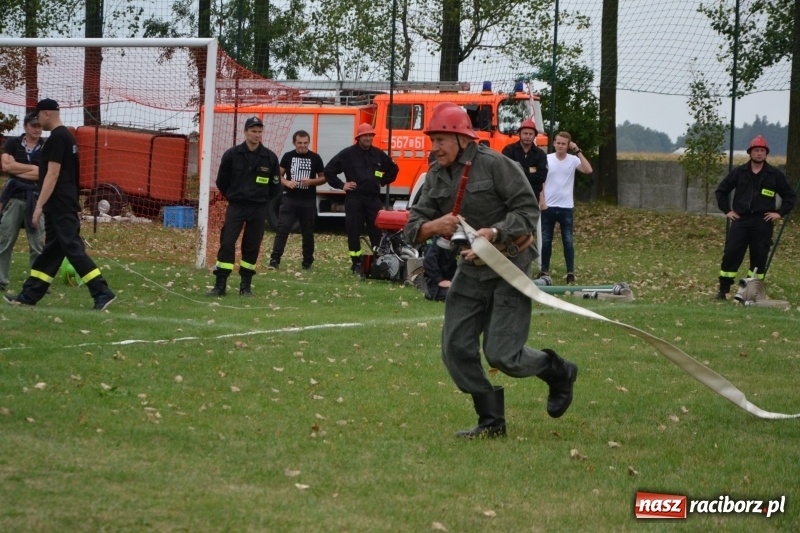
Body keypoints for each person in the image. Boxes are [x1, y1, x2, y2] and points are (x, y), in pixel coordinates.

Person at [404, 102, 578, 438]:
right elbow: (413, 224)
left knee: (503, 355)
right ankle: (491, 422)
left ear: (463, 139)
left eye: (441, 139)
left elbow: (528, 211)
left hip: (509, 263)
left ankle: (558, 370)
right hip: (469, 269)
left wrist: (495, 232)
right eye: (432, 139)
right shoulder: (436, 172)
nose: (434, 147)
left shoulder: (496, 165)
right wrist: (432, 226)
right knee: (455, 348)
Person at [4, 98, 116, 310]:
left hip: (61, 205)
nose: (38, 122)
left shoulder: (57, 138)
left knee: (73, 249)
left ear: (47, 114)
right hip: (61, 205)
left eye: (38, 117)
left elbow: (52, 175)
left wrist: (38, 206)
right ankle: (29, 295)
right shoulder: (67, 137)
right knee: (51, 253)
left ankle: (102, 291)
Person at [714, 135, 796, 300]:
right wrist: (727, 210)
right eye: (756, 150)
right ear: (750, 153)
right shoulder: (739, 172)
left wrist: (779, 213)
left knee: (759, 256)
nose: (759, 153)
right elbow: (721, 191)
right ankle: (723, 290)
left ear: (766, 154)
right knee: (731, 253)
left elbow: (790, 196)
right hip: (741, 220)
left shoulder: (774, 175)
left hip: (762, 222)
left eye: (762, 151)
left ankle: (752, 292)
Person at [207, 116, 279, 297]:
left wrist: (261, 200)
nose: (257, 135)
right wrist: (234, 196)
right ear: (245, 132)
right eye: (253, 131)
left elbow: (275, 186)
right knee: (227, 242)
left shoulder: (270, 157)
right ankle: (220, 285)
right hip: (237, 206)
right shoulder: (232, 155)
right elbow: (221, 181)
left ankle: (245, 286)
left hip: (258, 208)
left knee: (252, 245)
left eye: (259, 132)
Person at [324, 123, 399, 275]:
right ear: (358, 138)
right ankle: (356, 263)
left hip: (373, 199)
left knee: (377, 232)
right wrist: (341, 185)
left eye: (371, 135)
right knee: (353, 232)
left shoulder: (378, 154)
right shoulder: (347, 154)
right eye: (365, 135)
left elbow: (393, 169)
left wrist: (381, 180)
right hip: (354, 199)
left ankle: (379, 262)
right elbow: (329, 170)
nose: (368, 138)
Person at [267, 130, 326, 270]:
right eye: (299, 143)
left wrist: (312, 182)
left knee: (308, 233)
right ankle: (274, 260)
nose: (302, 146)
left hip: (308, 201)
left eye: (305, 143)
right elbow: (277, 177)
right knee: (282, 230)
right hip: (289, 199)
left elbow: (323, 178)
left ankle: (307, 263)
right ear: (294, 143)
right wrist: (287, 183)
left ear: (309, 143)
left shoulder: (315, 158)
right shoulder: (288, 157)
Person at [0, 112, 46, 292]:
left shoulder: (46, 147)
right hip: (14, 199)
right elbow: (6, 166)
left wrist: (17, 169)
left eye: (40, 126)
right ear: (26, 126)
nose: (37, 129)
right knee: (4, 240)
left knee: (37, 244)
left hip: (36, 199)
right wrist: (32, 168)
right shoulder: (13, 143)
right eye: (34, 125)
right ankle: (1, 281)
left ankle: (38, 282)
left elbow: (43, 174)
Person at [539, 131, 592, 285]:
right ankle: (544, 271)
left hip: (566, 207)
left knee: (568, 241)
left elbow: (588, 170)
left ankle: (570, 272)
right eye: (558, 143)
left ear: (568, 145)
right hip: (548, 206)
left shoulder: (573, 160)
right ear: (554, 143)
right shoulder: (546, 159)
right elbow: (540, 181)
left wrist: (578, 150)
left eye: (564, 143)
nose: (561, 146)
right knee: (546, 240)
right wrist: (542, 201)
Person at [501, 118, 548, 201]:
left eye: (530, 134)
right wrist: (531, 170)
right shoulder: (509, 150)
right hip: (511, 197)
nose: (528, 136)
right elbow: (505, 173)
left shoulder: (540, 154)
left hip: (532, 197)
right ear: (519, 134)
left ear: (534, 135)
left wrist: (520, 171)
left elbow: (542, 176)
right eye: (525, 133)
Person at [417, 237, 458, 301]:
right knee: (457, 295)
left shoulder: (459, 240)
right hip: (437, 282)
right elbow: (429, 260)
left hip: (452, 279)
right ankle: (431, 294)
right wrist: (439, 280)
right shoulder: (441, 238)